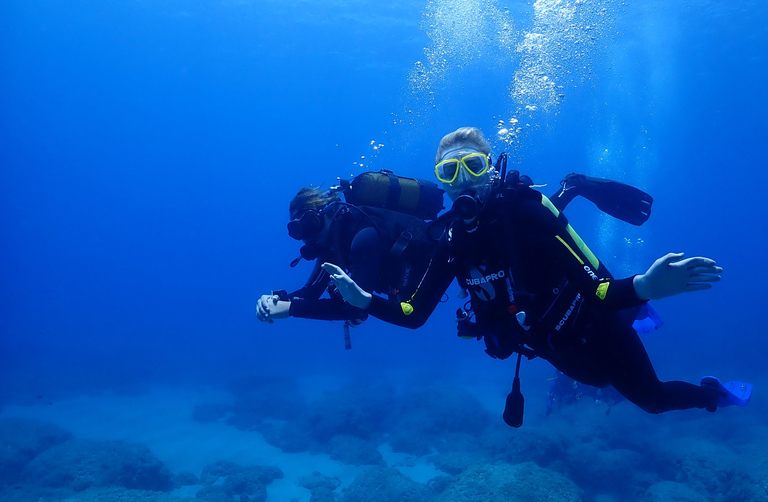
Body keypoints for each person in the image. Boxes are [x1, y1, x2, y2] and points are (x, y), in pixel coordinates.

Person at [324, 127, 752, 424]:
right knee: (600, 382)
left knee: (654, 400)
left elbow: (599, 291)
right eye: (449, 172)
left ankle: (715, 393)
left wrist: (644, 285)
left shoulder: (528, 211)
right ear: (442, 184)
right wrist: (364, 300)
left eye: (472, 166)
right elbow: (413, 313)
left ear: (491, 168)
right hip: (550, 347)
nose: (463, 181)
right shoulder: (452, 240)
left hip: (596, 322)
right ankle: (637, 303)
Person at [255, 184, 437, 333]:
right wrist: (276, 301)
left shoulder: (364, 237)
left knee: (410, 316)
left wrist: (291, 309)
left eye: (309, 223)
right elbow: (310, 293)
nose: (307, 235)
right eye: (297, 230)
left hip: (435, 263)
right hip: (402, 285)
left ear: (328, 212)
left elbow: (354, 308)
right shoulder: (334, 243)